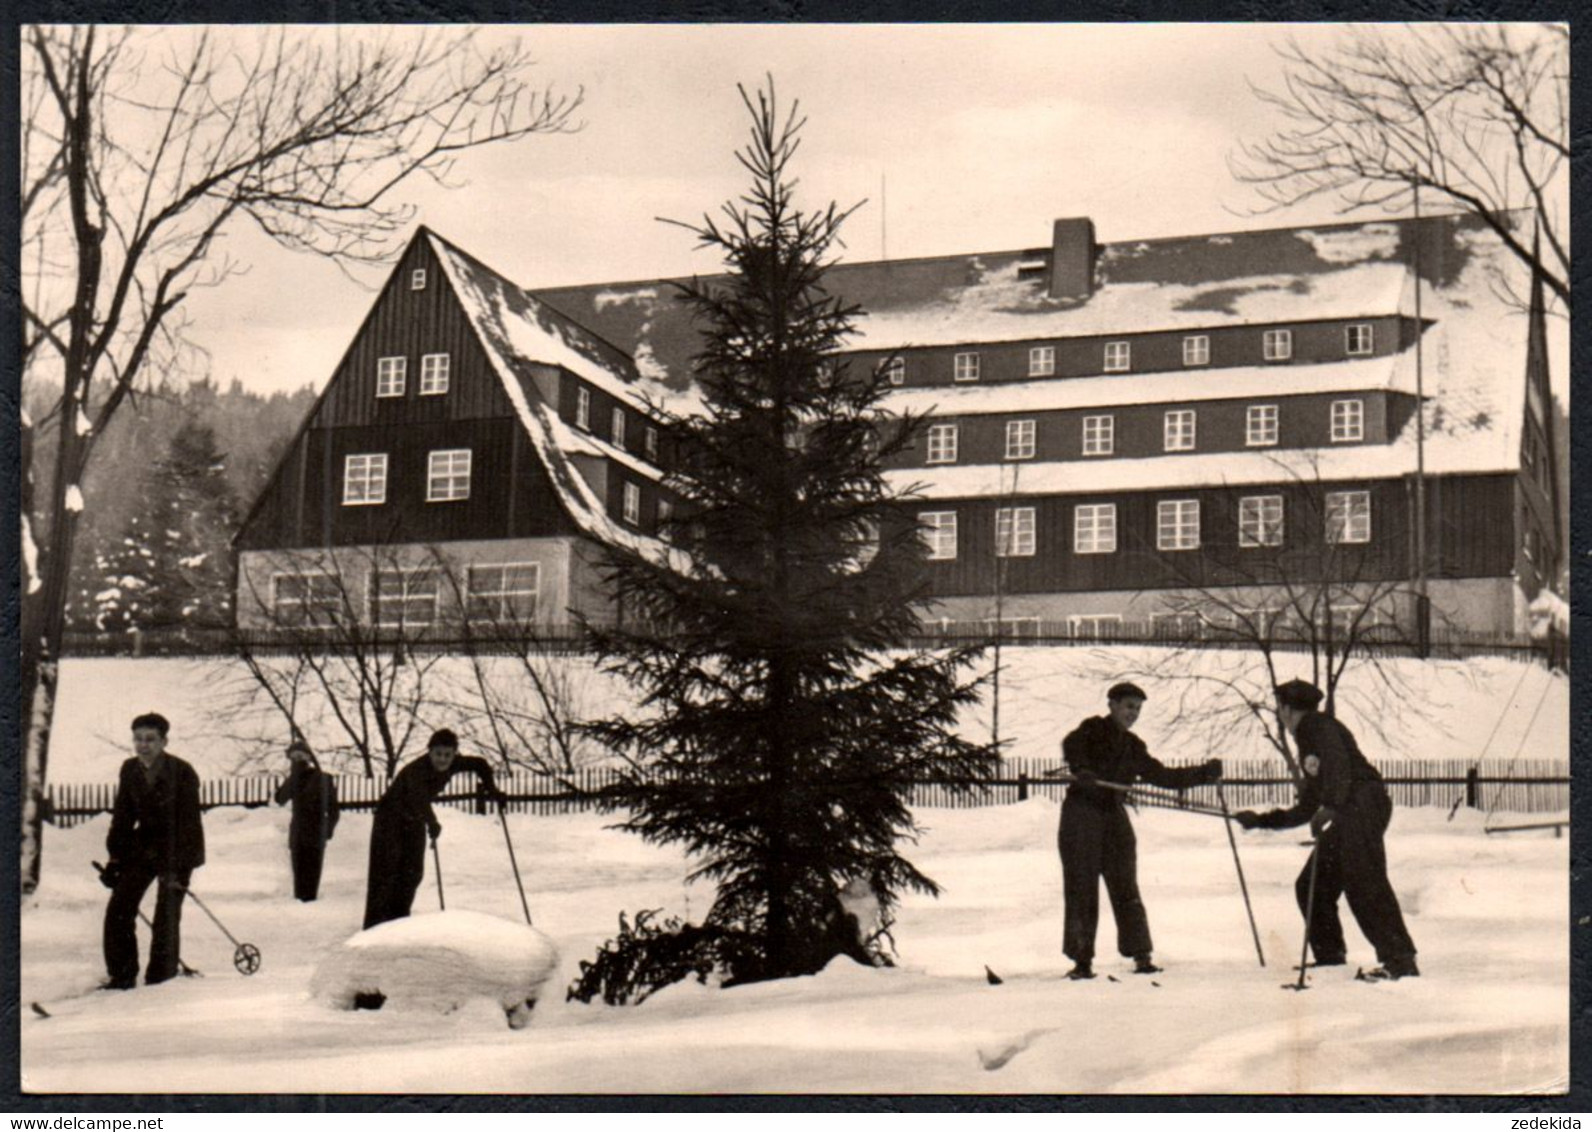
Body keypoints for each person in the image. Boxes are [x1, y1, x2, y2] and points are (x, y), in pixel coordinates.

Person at [1233, 679, 1419, 980]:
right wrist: (1262, 820)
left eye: (1278, 708)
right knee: (1312, 884)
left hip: (1362, 803)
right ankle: (1330, 956)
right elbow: (1308, 805)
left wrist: (1331, 805)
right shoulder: (1308, 737)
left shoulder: (1317, 726)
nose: (1278, 715)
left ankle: (1400, 960)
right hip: (1350, 807)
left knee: (1363, 879)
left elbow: (1338, 763)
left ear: (1286, 708)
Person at [1058, 682, 1222, 980]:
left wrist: (1202, 774)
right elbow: (1072, 745)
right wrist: (1082, 769)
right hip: (1082, 816)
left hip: (1112, 813)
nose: (1133, 713)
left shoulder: (1133, 746)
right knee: (1082, 887)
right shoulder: (1092, 729)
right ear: (1112, 705)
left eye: (1137, 708)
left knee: (1125, 883)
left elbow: (1162, 776)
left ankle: (1141, 954)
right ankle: (1082, 961)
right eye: (1128, 706)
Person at [100, 712, 205, 989]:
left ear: (163, 741)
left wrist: (174, 867)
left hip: (179, 850)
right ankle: (121, 975)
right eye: (138, 739)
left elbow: (188, 823)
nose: (143, 745)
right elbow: (123, 816)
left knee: (166, 913)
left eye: (150, 739)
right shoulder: (130, 769)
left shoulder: (182, 772)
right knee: (119, 909)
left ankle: (160, 979)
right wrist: (115, 859)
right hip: (144, 849)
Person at [363, 729, 504, 930]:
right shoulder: (416, 770)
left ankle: (398, 924)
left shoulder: (455, 763)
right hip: (389, 820)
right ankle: (374, 928)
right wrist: (432, 821)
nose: (442, 759)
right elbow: (417, 798)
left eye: (448, 754)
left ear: (455, 753)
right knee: (386, 874)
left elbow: (480, 764)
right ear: (429, 752)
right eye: (438, 754)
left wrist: (492, 790)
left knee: (412, 874)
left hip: (414, 820)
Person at [274, 739, 340, 902]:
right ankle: (301, 904)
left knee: (311, 879)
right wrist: (292, 777)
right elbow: (280, 798)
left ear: (309, 758)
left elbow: (333, 810)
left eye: (300, 757)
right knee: (299, 878)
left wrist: (328, 830)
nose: (297, 761)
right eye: (293, 758)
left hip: (316, 833)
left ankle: (310, 905)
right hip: (298, 834)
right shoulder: (294, 780)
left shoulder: (323, 779)